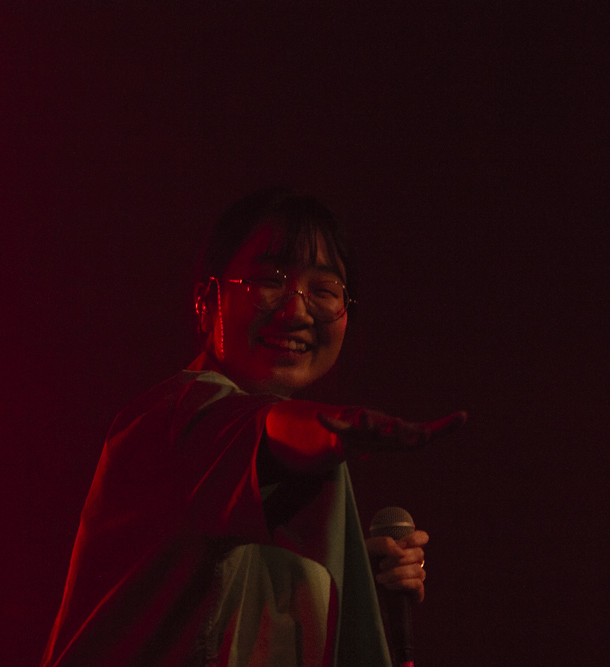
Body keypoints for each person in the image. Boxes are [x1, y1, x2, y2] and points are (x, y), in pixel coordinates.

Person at [40, 189, 466, 667]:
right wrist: (338, 428)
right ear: (206, 299)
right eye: (269, 280)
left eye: (323, 291)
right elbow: (271, 429)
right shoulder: (176, 416)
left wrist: (353, 576)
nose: (296, 311)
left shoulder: (287, 481)